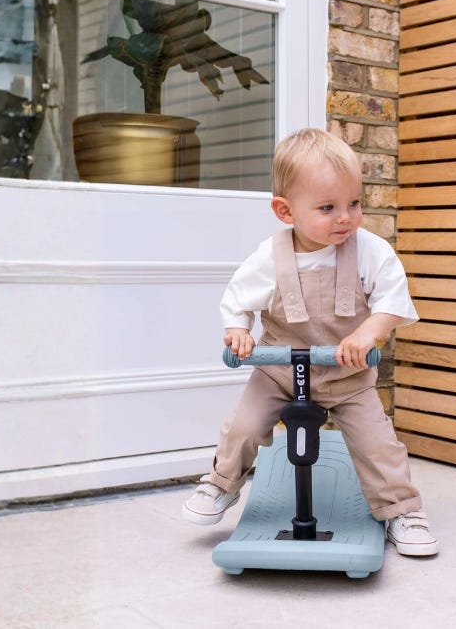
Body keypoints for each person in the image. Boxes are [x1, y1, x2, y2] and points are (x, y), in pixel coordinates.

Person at [184, 128, 437, 557]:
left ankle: (401, 509)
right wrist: (239, 330)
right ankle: (221, 483)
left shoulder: (370, 250)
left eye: (354, 203)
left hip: (347, 375)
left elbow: (393, 300)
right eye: (327, 207)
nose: (345, 217)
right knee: (244, 426)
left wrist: (368, 333)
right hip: (279, 371)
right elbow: (238, 299)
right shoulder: (269, 257)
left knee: (378, 443)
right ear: (286, 211)